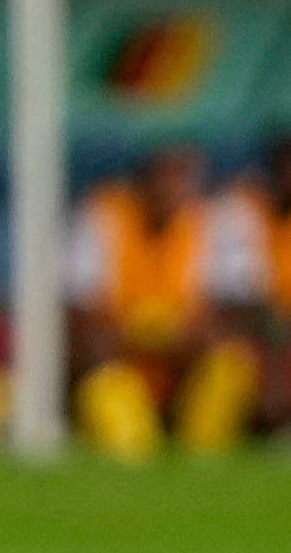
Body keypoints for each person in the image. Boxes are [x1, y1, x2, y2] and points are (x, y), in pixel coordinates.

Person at [67, 141, 262, 458]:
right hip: (122, 360)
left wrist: (189, 336)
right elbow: (80, 309)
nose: (168, 189)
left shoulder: (212, 222)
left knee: (231, 364)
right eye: (161, 178)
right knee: (103, 381)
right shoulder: (103, 218)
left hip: (184, 367)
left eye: (179, 178)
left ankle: (203, 457)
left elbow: (233, 309)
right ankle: (133, 453)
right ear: (140, 182)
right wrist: (136, 334)